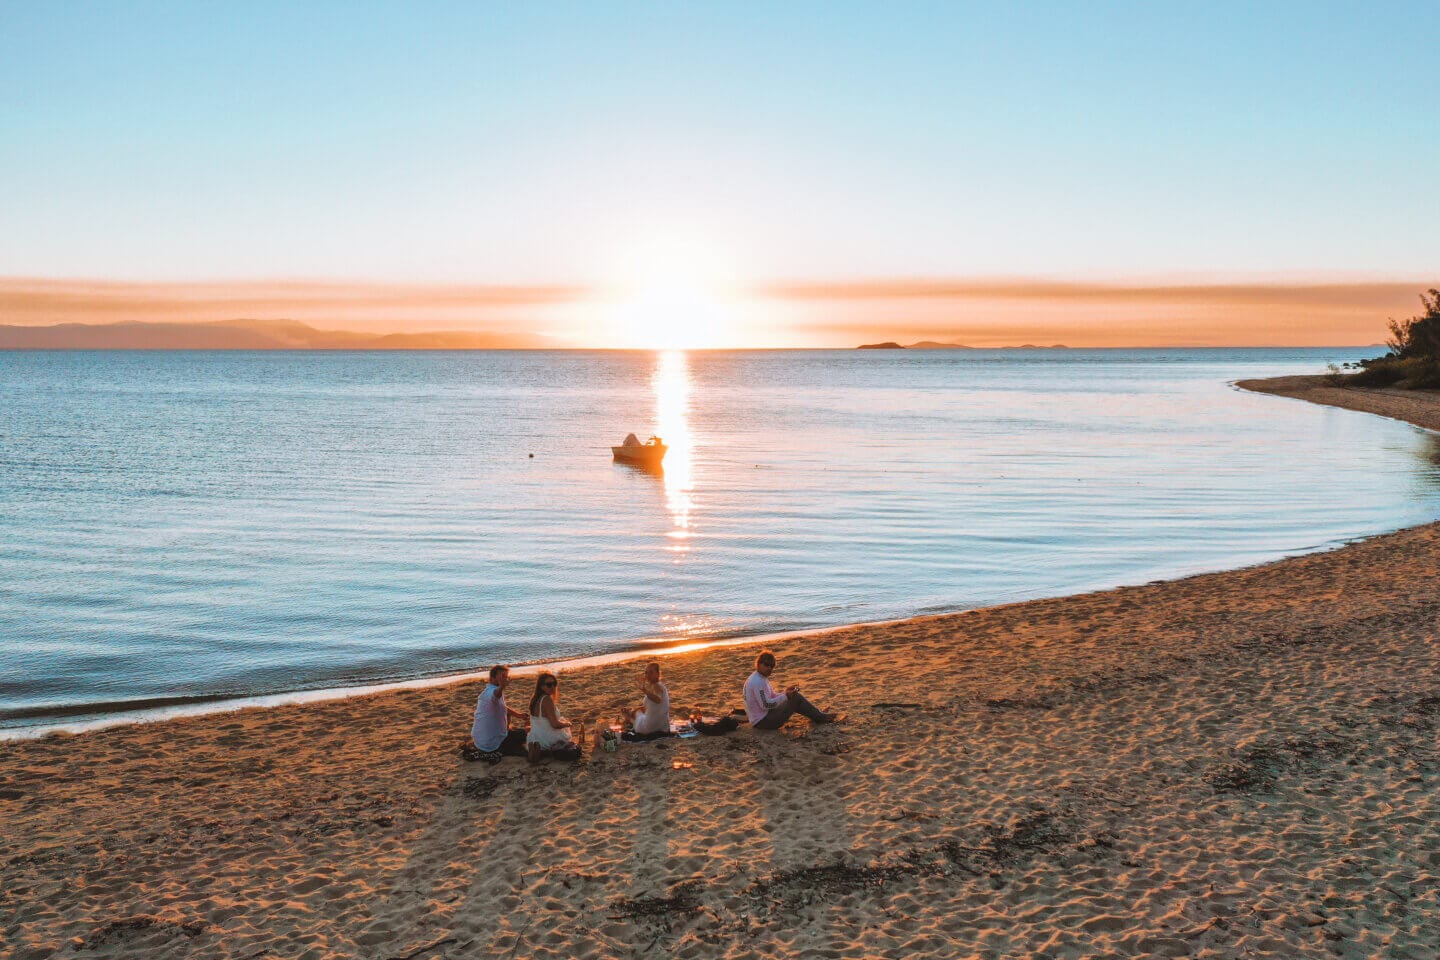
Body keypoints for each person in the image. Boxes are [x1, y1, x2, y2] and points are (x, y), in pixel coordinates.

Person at [743, 650, 841, 730]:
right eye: (766, 665)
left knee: (793, 697)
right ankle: (820, 716)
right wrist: (786, 696)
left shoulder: (759, 677)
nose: (769, 668)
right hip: (763, 722)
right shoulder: (757, 681)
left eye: (772, 666)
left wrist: (785, 693)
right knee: (795, 698)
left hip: (763, 717)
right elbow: (766, 705)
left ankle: (816, 714)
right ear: (759, 664)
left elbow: (772, 696)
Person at [471, 664, 528, 757]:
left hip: (479, 742)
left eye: (506, 676)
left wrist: (518, 715)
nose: (505, 679)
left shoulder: (489, 690)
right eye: (502, 677)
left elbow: (502, 707)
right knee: (526, 733)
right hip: (491, 745)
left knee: (507, 715)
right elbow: (495, 696)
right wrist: (501, 686)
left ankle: (506, 734)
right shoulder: (491, 692)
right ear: (492, 678)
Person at [527, 672, 582, 761]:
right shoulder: (547, 700)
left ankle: (538, 749)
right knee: (566, 733)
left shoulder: (535, 698)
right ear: (541, 686)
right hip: (547, 739)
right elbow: (555, 725)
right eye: (549, 685)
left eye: (554, 684)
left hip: (534, 737)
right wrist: (567, 724)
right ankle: (545, 750)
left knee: (562, 721)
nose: (552, 687)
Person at [624, 661, 671, 736]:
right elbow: (651, 706)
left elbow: (658, 700)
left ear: (658, 674)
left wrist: (644, 690)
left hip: (649, 728)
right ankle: (629, 715)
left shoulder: (657, 686)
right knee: (636, 711)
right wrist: (636, 709)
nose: (648, 675)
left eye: (651, 672)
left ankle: (629, 718)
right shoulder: (656, 686)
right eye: (646, 673)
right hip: (663, 726)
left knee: (636, 713)